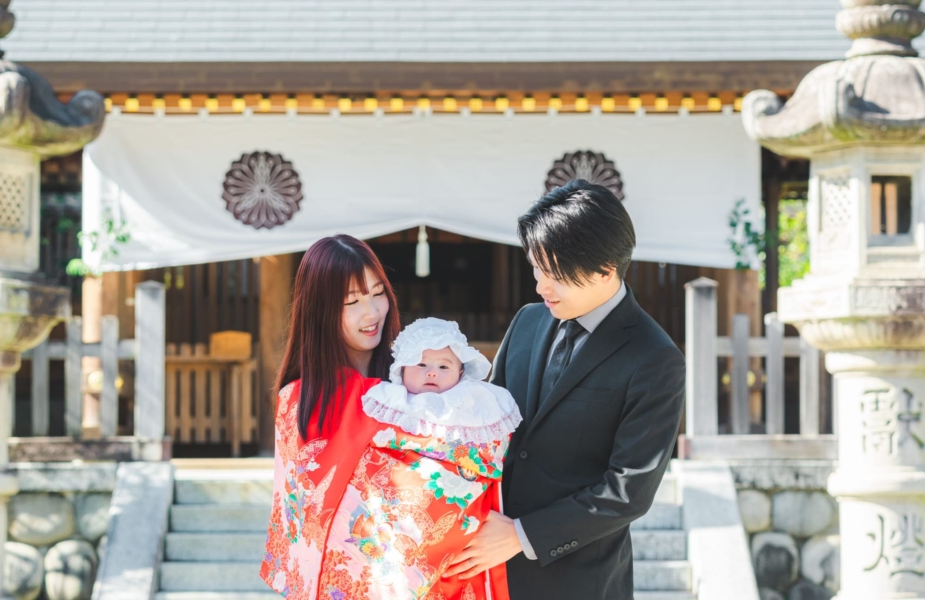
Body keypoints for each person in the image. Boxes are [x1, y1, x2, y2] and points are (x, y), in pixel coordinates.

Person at [443, 180, 687, 599]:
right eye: (536, 268)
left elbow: (627, 492)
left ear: (605, 269)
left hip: (578, 579)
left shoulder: (655, 358)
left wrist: (522, 535)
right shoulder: (527, 322)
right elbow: (484, 423)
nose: (541, 286)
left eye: (555, 274)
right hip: (485, 569)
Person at [262, 237, 515, 600]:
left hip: (442, 583)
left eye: (377, 293)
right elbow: (307, 524)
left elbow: (468, 466)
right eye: (351, 301)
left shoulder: (418, 380)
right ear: (319, 312)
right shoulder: (302, 401)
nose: (372, 312)